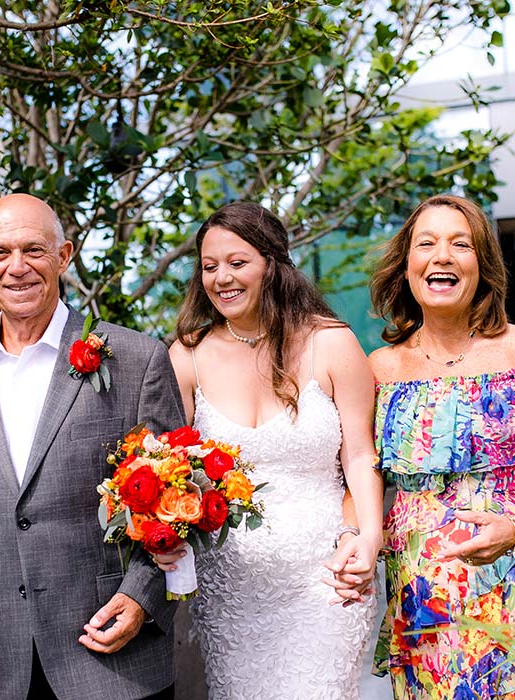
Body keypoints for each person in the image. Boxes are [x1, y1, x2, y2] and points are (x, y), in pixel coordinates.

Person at [0, 193, 186, 700]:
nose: (18, 268)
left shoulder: (137, 360)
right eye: (0, 253)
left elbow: (175, 504)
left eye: (34, 250)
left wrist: (143, 598)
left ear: (64, 256)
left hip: (110, 650)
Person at [156, 202, 383, 699]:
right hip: (229, 591)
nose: (222, 278)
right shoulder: (186, 355)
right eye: (209, 266)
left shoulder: (331, 344)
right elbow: (167, 467)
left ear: (272, 264)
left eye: (237, 263)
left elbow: (361, 457)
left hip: (326, 579)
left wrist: (367, 537)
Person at [368, 194, 515, 698]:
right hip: (419, 592)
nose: (442, 255)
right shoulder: (379, 368)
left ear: (481, 265)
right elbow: (363, 475)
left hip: (510, 579)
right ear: (407, 266)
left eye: (459, 244)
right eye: (427, 243)